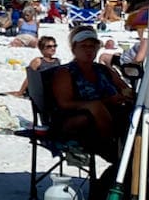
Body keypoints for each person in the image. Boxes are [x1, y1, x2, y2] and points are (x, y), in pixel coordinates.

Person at [47, 27, 134, 162]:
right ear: (74, 49)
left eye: (92, 46)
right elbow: (64, 103)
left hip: (112, 116)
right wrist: (102, 103)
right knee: (95, 108)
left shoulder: (103, 69)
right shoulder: (66, 72)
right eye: (84, 46)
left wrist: (124, 93)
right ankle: (115, 153)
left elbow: (124, 88)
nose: (89, 50)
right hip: (74, 121)